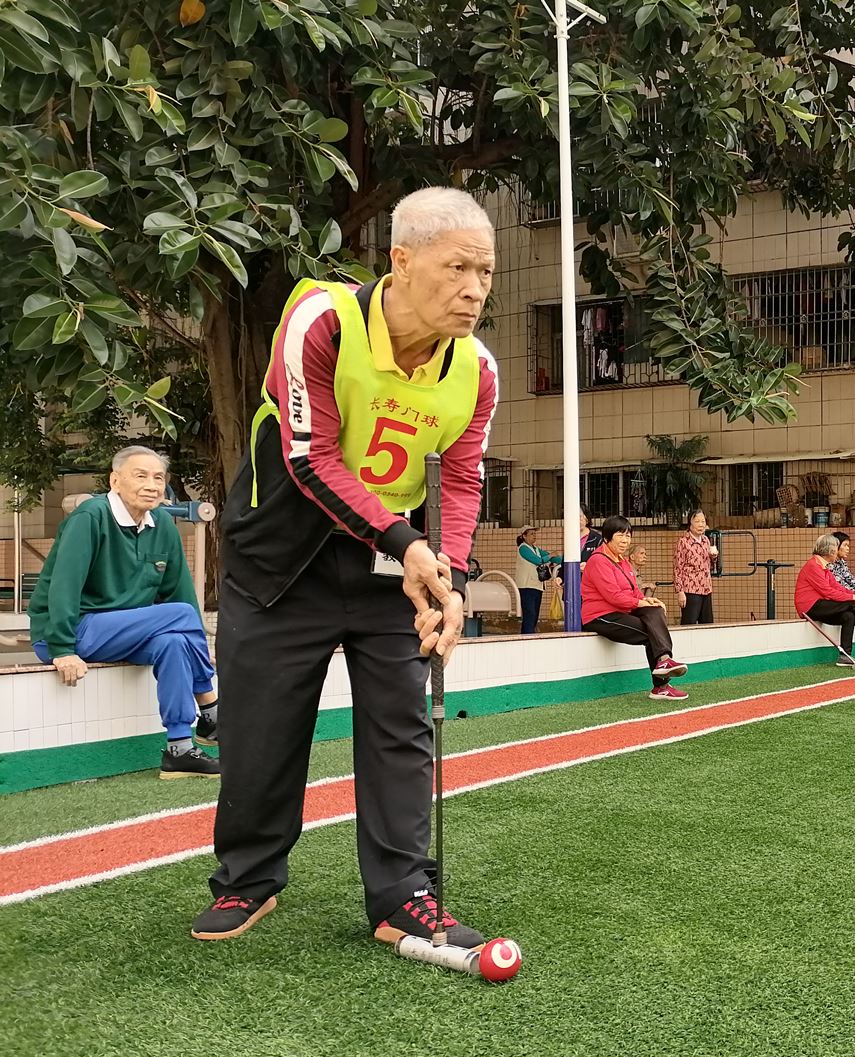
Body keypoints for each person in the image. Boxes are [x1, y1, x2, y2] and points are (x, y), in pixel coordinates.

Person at [193, 187, 501, 946]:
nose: (474, 289)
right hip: (282, 555)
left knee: (402, 726)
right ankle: (249, 879)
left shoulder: (478, 371)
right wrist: (411, 546)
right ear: (400, 261)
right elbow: (310, 457)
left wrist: (450, 575)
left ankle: (402, 895)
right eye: (456, 266)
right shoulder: (321, 320)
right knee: (262, 727)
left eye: (486, 273)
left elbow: (461, 479)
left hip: (391, 563)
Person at [28, 446, 220, 779]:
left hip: (122, 632)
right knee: (182, 616)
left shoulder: (162, 523)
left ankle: (179, 748)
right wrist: (62, 649)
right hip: (71, 630)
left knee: (173, 642)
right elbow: (64, 585)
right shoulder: (91, 516)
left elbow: (180, 592)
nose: (152, 485)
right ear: (115, 481)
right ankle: (212, 708)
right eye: (140, 475)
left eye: (158, 477)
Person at [582, 516, 689, 700]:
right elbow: (613, 596)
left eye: (628, 536)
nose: (625, 540)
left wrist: (650, 601)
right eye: (620, 535)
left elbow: (634, 591)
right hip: (599, 615)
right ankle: (661, 684)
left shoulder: (622, 561)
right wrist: (640, 603)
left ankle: (664, 665)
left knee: (654, 611)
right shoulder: (598, 560)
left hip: (621, 610)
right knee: (651, 633)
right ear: (607, 537)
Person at [797, 533, 855, 667]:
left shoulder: (823, 565)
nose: (837, 552)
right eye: (837, 548)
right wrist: (854, 598)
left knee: (848, 616)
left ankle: (845, 656)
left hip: (819, 605)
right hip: (809, 607)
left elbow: (836, 586)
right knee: (851, 605)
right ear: (830, 550)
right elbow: (828, 591)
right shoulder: (813, 566)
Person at [673, 509, 718, 625]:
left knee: (707, 624)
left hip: (706, 588)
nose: (701, 524)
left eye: (703, 521)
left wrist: (714, 557)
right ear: (690, 523)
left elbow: (711, 565)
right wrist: (680, 592)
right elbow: (678, 568)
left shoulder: (706, 540)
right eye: (697, 521)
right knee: (689, 623)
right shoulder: (683, 542)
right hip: (690, 589)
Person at [514, 525, 561, 635]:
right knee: (529, 613)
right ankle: (527, 636)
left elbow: (551, 557)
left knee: (534, 614)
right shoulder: (523, 548)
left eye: (535, 534)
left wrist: (565, 560)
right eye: (531, 534)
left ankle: (529, 634)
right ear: (524, 536)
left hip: (537, 585)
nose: (534, 536)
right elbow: (538, 560)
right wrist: (551, 555)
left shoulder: (536, 549)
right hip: (526, 586)